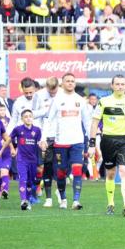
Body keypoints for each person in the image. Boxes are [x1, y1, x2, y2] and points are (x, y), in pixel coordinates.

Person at [88, 75, 125, 216]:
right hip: (108, 141)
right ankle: (110, 203)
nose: (120, 87)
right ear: (112, 86)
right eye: (117, 84)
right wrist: (92, 144)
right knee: (110, 173)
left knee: (124, 171)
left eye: (122, 84)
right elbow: (94, 122)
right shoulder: (104, 102)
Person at [41, 73, 91, 210]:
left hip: (77, 141)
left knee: (77, 170)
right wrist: (43, 138)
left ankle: (76, 201)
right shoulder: (57, 100)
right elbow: (48, 120)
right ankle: (63, 199)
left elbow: (87, 122)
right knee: (61, 172)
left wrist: (92, 142)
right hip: (61, 142)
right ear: (62, 83)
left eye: (72, 81)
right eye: (67, 81)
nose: (70, 83)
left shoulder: (80, 100)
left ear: (75, 83)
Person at [0, 109, 43, 210]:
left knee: (30, 182)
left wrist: (43, 148)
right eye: (26, 116)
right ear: (22, 119)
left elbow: (39, 143)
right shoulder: (18, 129)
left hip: (33, 160)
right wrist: (1, 151)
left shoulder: (37, 130)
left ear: (33, 118)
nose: (28, 118)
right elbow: (8, 139)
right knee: (23, 179)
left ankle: (28, 199)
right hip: (22, 160)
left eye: (30, 116)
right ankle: (23, 201)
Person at [31, 77, 59, 208]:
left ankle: (60, 191)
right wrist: (46, 112)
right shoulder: (39, 95)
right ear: (46, 87)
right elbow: (33, 113)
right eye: (50, 91)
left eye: (55, 91)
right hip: (45, 135)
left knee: (61, 166)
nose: (53, 94)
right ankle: (42, 194)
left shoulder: (63, 94)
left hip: (60, 135)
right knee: (44, 166)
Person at [0, 104, 14, 200]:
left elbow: (12, 134)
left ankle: (5, 190)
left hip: (6, 151)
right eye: (0, 110)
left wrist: (12, 147)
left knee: (4, 172)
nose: (3, 112)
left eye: (4, 110)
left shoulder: (10, 122)